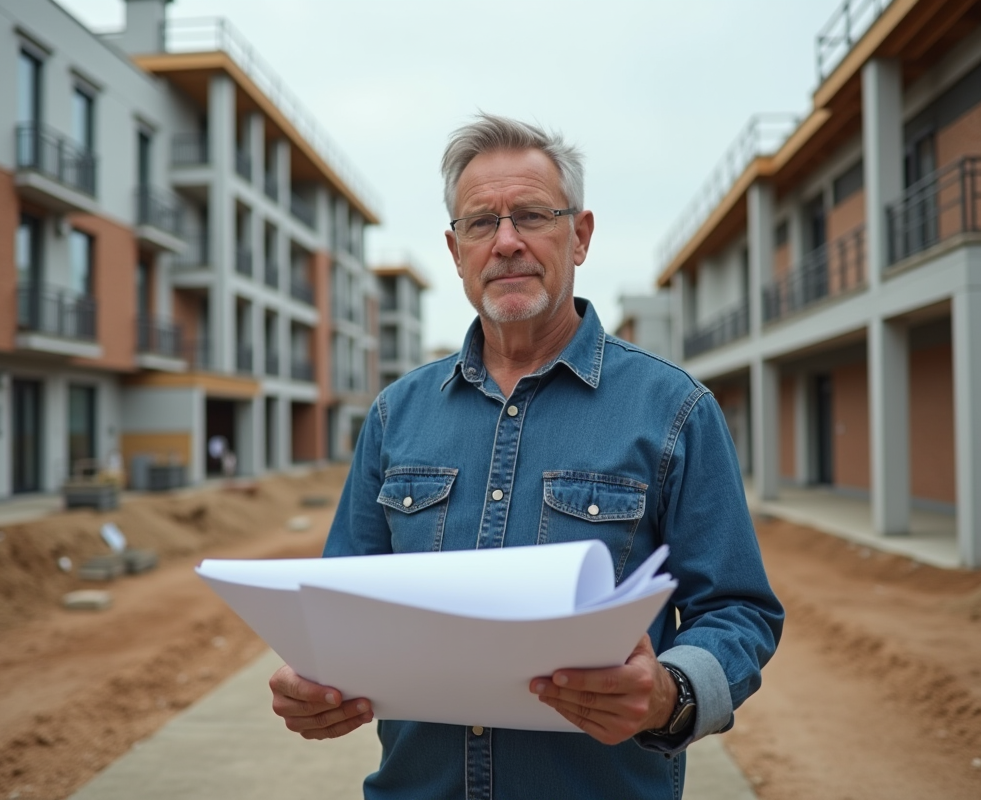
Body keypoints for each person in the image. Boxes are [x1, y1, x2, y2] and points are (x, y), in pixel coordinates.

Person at [269, 113, 784, 799]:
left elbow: (738, 609)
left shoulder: (676, 411)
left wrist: (671, 692)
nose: (506, 242)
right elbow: (341, 608)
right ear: (456, 252)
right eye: (481, 224)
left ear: (581, 236)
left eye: (532, 216)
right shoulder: (395, 415)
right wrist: (314, 681)